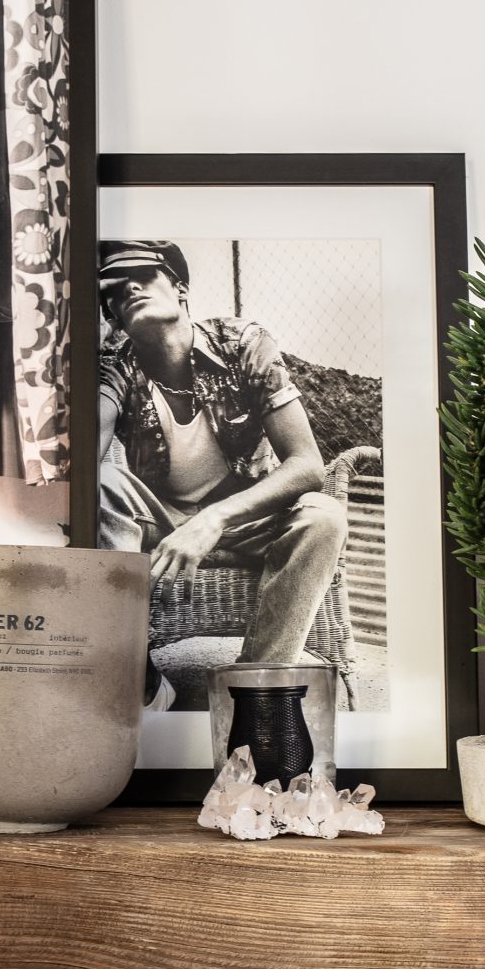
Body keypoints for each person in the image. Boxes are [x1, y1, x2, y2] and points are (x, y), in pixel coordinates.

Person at [98, 241, 349, 695]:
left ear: (180, 287)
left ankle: (257, 689)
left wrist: (214, 519)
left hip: (248, 518)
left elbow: (307, 464)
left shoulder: (242, 344)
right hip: (161, 520)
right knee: (101, 483)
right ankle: (137, 678)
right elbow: (88, 465)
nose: (127, 287)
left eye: (143, 274)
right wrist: (96, 348)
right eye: (112, 290)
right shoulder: (115, 367)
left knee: (323, 516)